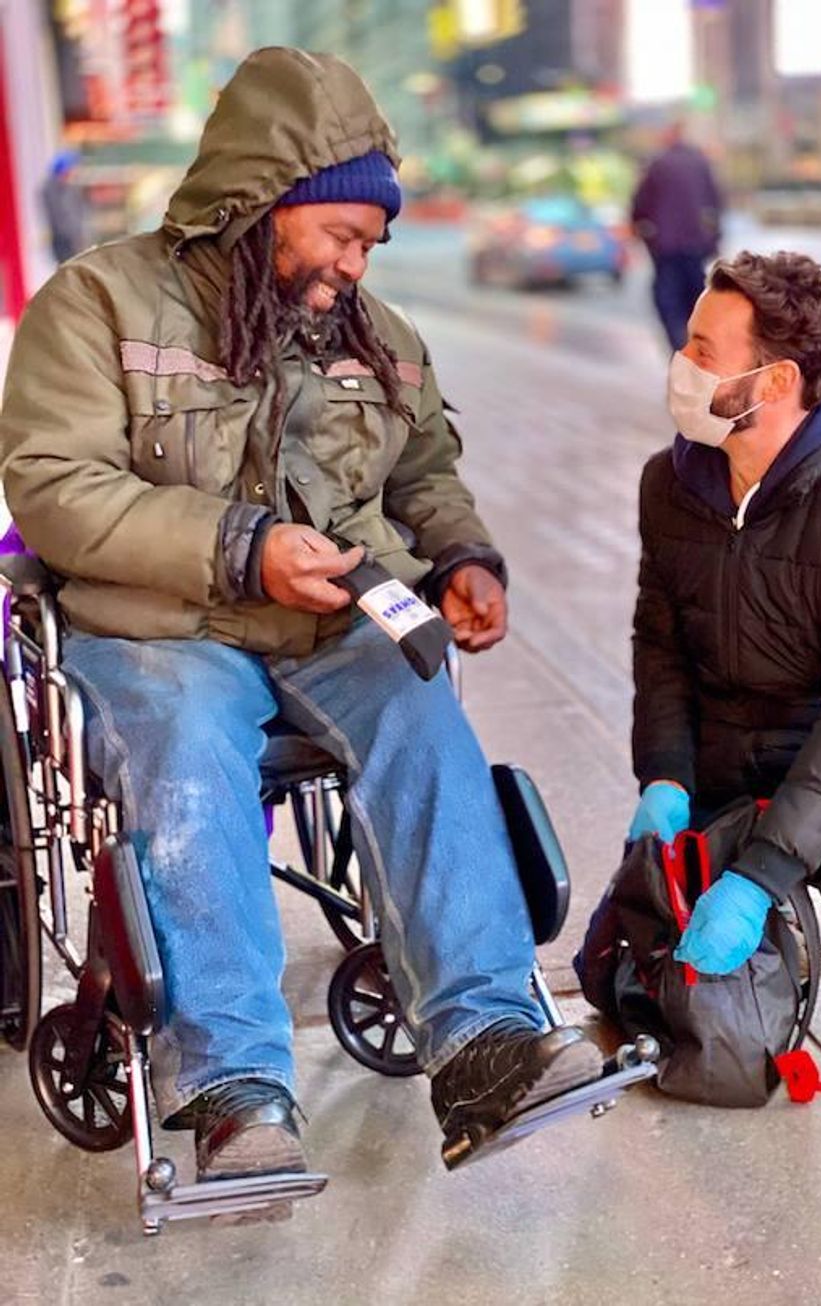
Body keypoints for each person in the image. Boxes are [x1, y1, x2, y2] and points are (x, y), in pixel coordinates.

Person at [0, 48, 603, 1199]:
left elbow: (423, 473)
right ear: (259, 200)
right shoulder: (99, 303)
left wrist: (464, 558)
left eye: (370, 242)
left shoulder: (373, 335)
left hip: (328, 626)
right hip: (160, 629)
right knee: (184, 752)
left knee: (420, 705)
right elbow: (54, 487)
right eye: (339, 233)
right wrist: (240, 546)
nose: (353, 264)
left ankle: (484, 1040)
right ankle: (234, 1088)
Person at [629, 251, 821, 1022]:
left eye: (703, 349)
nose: (681, 362)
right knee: (668, 938)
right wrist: (665, 775)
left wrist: (761, 872)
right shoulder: (668, 484)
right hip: (726, 742)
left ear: (774, 382)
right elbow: (660, 645)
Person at [630, 123, 723, 352]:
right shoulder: (700, 163)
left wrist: (641, 229)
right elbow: (715, 201)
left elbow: (640, 204)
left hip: (666, 246)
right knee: (697, 298)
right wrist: (714, 238)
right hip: (696, 244)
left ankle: (680, 349)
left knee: (668, 301)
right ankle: (700, 349)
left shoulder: (659, 164)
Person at [40, 149, 89, 263]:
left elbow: (80, 213)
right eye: (73, 167)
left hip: (74, 239)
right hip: (64, 241)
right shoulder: (51, 189)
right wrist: (74, 237)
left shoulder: (72, 188)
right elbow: (59, 218)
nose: (75, 171)